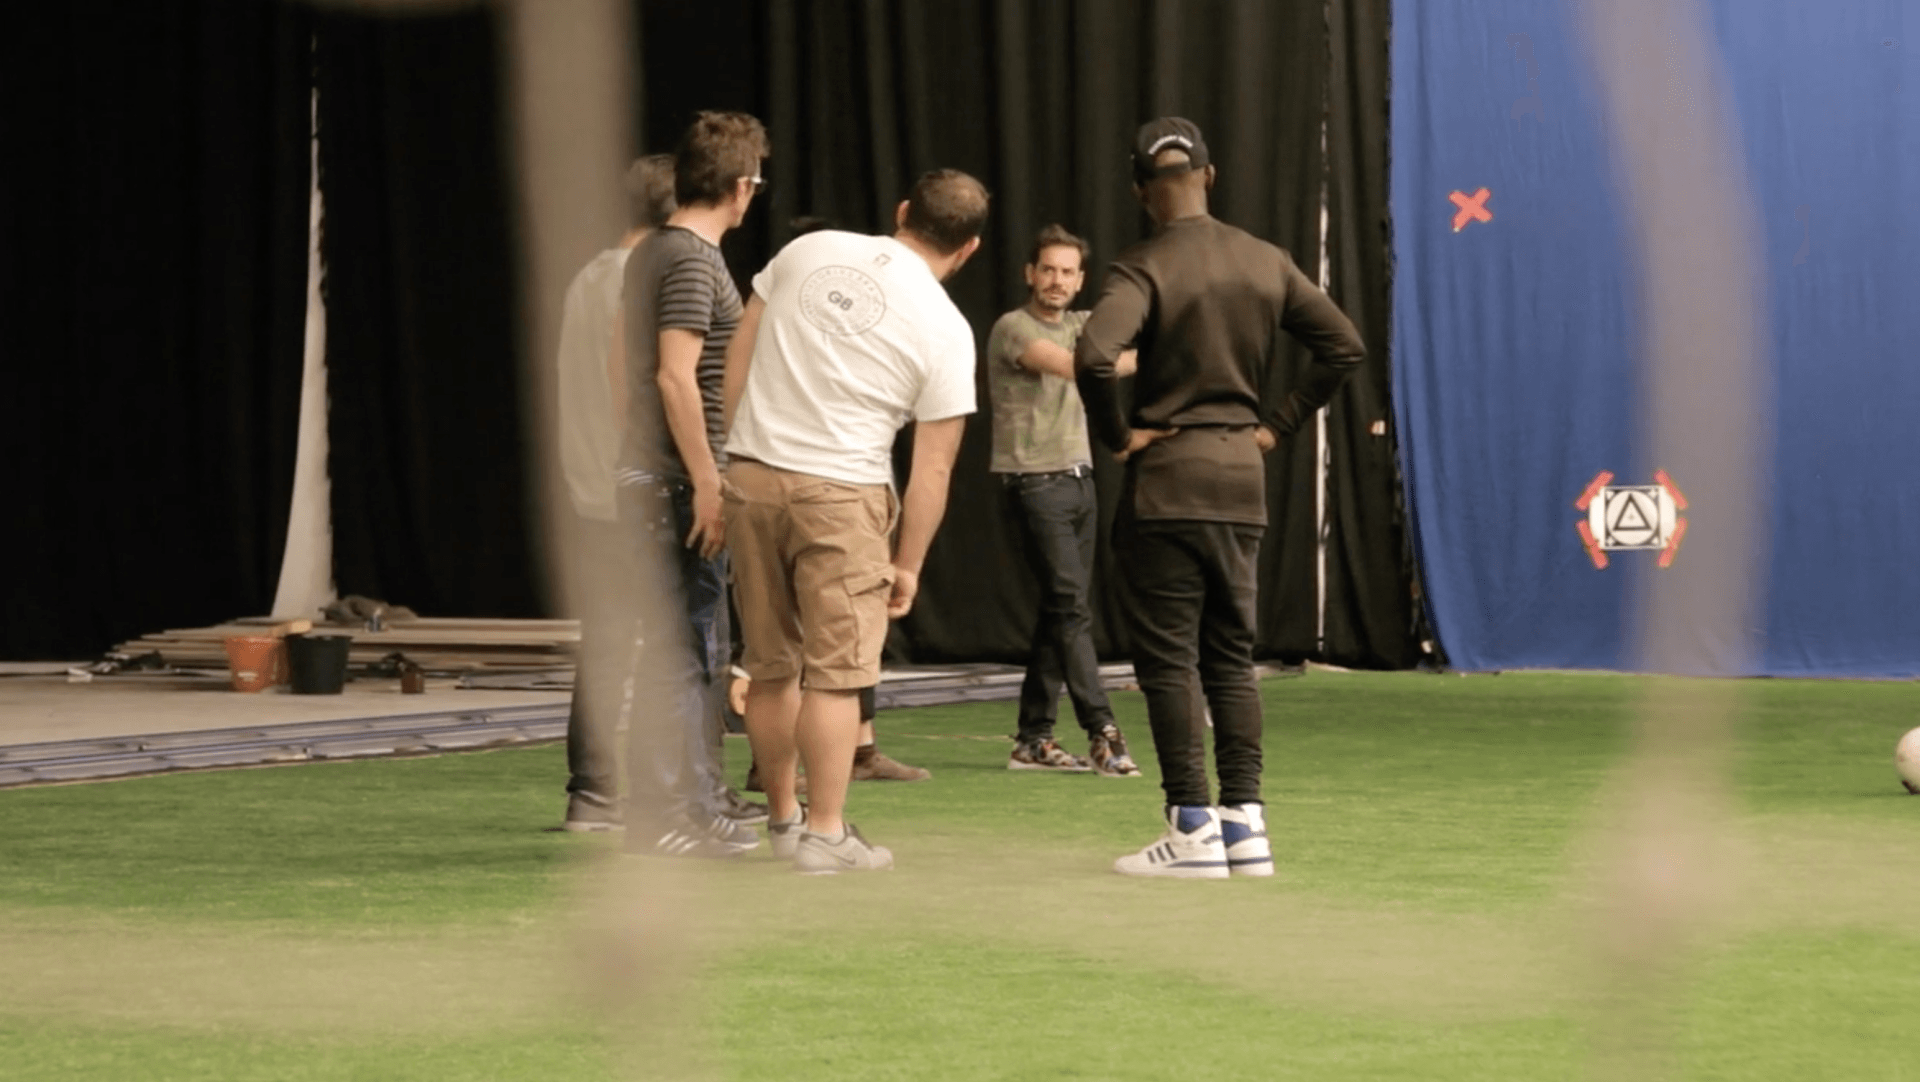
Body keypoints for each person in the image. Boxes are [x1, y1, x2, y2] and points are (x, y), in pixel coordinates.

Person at [1074, 118, 1365, 879]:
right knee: (1231, 658)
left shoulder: (1141, 265)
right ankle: (1246, 826)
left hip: (1169, 481)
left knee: (1170, 660)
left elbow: (1095, 356)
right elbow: (1345, 346)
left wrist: (1117, 437)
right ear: (1210, 176)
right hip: (1241, 477)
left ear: (1141, 192)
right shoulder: (1266, 260)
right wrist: (1278, 425)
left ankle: (1191, 828)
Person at [722, 169, 989, 873]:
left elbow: (739, 357)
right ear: (969, 249)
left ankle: (784, 822)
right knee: (837, 676)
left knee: (769, 665)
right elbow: (933, 469)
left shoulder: (808, 250)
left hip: (752, 477)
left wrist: (735, 459)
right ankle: (826, 834)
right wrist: (909, 564)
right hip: (843, 496)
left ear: (902, 211)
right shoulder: (949, 329)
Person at [618, 111, 770, 857]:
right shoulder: (688, 259)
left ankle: (698, 801)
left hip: (663, 476)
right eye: (756, 184)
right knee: (679, 654)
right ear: (740, 187)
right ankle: (668, 815)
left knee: (689, 652)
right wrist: (708, 483)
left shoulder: (657, 251)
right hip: (677, 483)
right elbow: (674, 377)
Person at [986, 224, 1142, 777]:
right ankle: (1103, 731)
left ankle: (1033, 739)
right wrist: (1143, 357)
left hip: (1080, 481)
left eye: (1067, 272)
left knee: (1062, 609)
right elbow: (1080, 367)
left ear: (1080, 280)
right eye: (1048, 269)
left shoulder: (1082, 324)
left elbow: (1136, 328)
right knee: (1071, 607)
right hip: (1034, 483)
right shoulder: (1013, 327)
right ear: (1030, 274)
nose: (1056, 280)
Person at [556, 155, 675, 832]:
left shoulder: (588, 277)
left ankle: (595, 792)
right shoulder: (642, 279)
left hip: (590, 484)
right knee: (671, 645)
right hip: (635, 484)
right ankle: (665, 794)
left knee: (607, 643)